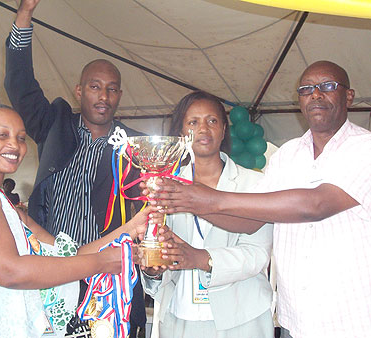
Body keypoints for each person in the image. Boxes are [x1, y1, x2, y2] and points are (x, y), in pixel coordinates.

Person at [148, 61, 371, 338]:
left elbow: (315, 205)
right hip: (297, 323)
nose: (315, 95)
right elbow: (250, 221)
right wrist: (184, 201)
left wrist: (207, 202)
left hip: (353, 320)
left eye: (327, 86)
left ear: (348, 96)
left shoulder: (364, 148)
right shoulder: (288, 155)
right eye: (306, 89)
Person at [0, 104, 155, 337]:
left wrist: (132, 227)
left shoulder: (9, 209)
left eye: (21, 138)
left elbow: (69, 256)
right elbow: (9, 271)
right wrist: (102, 262)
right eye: (2, 135)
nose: (15, 144)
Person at [4, 0, 147, 334]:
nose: (103, 96)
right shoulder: (54, 124)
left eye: (112, 89)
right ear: (79, 90)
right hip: (52, 274)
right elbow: (20, 86)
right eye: (95, 86)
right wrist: (24, 16)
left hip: (109, 277)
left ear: (120, 96)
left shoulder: (136, 148)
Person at [140, 91, 274, 338]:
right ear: (182, 133)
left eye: (212, 121)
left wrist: (200, 258)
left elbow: (257, 254)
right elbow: (157, 250)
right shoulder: (164, 186)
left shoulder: (254, 183)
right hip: (179, 318)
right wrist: (153, 269)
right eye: (193, 122)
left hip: (241, 320)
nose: (203, 129)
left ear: (224, 129)